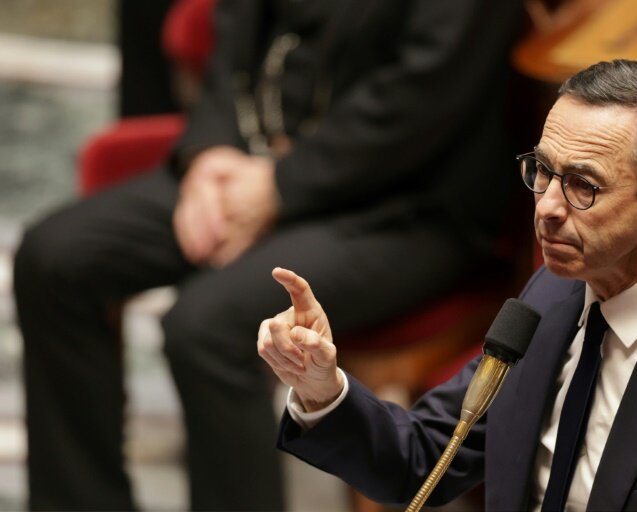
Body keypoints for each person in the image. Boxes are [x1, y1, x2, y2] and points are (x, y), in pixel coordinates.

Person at [12, 0, 526, 510]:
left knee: (207, 324)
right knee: (55, 258)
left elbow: (427, 96)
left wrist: (279, 187)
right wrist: (209, 154)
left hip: (403, 203)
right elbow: (231, 32)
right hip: (252, 157)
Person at [258, 59, 637, 511]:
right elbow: (425, 457)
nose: (546, 207)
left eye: (583, 186)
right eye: (543, 171)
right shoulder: (549, 295)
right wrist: (320, 387)